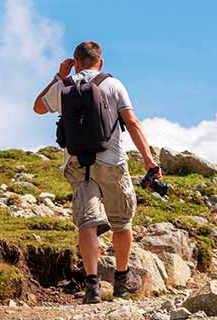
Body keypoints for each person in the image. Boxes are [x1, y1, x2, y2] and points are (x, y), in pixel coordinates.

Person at [33, 41, 161, 304]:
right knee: (122, 222)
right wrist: (149, 160)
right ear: (100, 62)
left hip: (77, 163)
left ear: (75, 62)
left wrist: (59, 76)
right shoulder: (113, 84)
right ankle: (121, 280)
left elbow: (38, 107)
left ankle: (91, 287)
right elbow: (132, 122)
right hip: (112, 161)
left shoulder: (65, 86)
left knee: (88, 223)